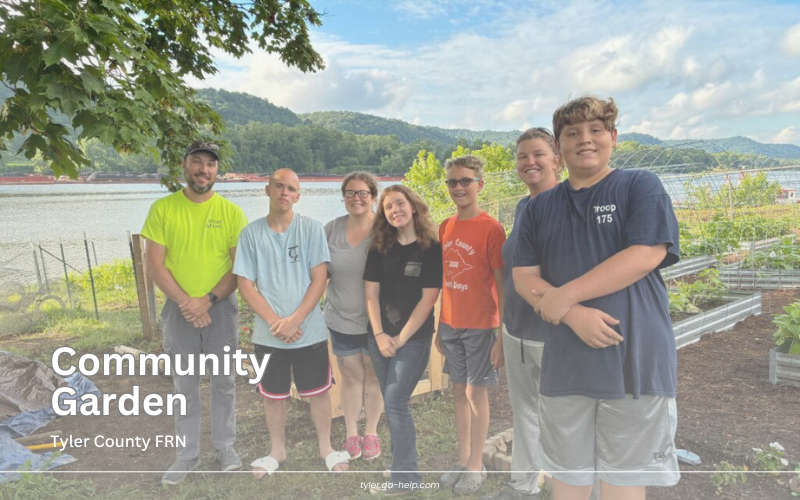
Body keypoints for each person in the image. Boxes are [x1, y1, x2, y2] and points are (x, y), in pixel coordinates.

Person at [512, 96, 681, 500]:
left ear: (613, 137)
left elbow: (646, 253)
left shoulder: (639, 185)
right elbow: (524, 277)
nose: (585, 140)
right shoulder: (539, 208)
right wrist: (572, 316)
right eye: (572, 133)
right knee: (568, 478)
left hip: (634, 359)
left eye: (595, 130)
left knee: (623, 482)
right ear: (559, 147)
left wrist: (565, 296)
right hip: (565, 362)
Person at [141, 141, 248, 486]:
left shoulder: (232, 213)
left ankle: (225, 447)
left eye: (211, 165)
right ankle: (186, 455)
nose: (204, 170)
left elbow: (238, 268)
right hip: (178, 312)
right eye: (197, 163)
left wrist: (209, 300)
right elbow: (154, 265)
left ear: (218, 171)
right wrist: (188, 303)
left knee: (224, 383)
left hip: (222, 309)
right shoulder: (162, 209)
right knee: (184, 384)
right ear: (184, 167)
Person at [233, 168, 350, 477]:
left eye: (291, 188)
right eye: (278, 186)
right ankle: (277, 451)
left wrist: (295, 319)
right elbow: (246, 284)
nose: (284, 192)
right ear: (267, 190)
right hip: (269, 334)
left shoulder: (311, 230)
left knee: (317, 393)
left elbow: (319, 279)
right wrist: (276, 322)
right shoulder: (251, 234)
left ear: (298, 195)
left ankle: (326, 447)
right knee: (273, 395)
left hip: (308, 330)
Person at [483, 128, 562, 500]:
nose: (529, 162)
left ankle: (575, 488)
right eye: (522, 156)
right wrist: (502, 333)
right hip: (517, 331)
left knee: (564, 417)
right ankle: (523, 485)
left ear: (556, 158)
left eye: (538, 154)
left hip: (554, 334)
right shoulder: (524, 206)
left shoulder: (568, 205)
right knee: (525, 413)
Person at [364, 185, 443, 497]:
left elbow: (428, 300)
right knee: (392, 402)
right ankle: (402, 465)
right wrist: (381, 335)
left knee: (395, 402)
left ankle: (405, 478)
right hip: (378, 337)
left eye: (399, 203)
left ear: (413, 206)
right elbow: (370, 294)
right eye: (388, 207)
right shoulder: (379, 247)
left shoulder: (431, 248)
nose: (395, 210)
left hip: (413, 339)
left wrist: (398, 338)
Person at [436, 155, 506, 496]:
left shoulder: (491, 228)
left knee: (476, 393)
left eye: (465, 181)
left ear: (480, 184)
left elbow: (501, 284)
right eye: (452, 182)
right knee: (458, 391)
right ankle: (463, 458)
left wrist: (501, 335)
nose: (459, 187)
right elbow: (447, 281)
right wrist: (439, 324)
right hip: (451, 324)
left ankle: (477, 464)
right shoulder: (445, 226)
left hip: (480, 326)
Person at [324, 171, 384, 461]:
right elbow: (317, 274)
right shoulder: (331, 230)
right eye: (350, 192)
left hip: (378, 322)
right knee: (350, 375)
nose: (356, 198)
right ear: (343, 197)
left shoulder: (386, 230)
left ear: (374, 197)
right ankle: (351, 432)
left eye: (362, 193)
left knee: (373, 374)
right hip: (341, 317)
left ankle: (371, 431)